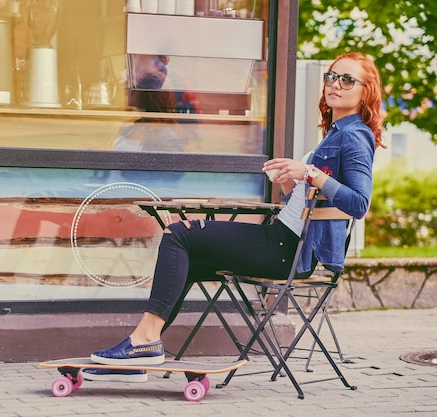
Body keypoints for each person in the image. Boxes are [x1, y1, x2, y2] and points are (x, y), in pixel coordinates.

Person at [83, 52, 385, 381]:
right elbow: (307, 202)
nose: (334, 85)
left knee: (179, 234)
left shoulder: (355, 136)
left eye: (346, 79)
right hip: (283, 239)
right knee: (191, 257)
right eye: (331, 76)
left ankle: (142, 343)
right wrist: (289, 183)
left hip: (287, 249)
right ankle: (141, 347)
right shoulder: (337, 132)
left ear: (366, 92)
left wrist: (308, 172)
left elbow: (358, 203)